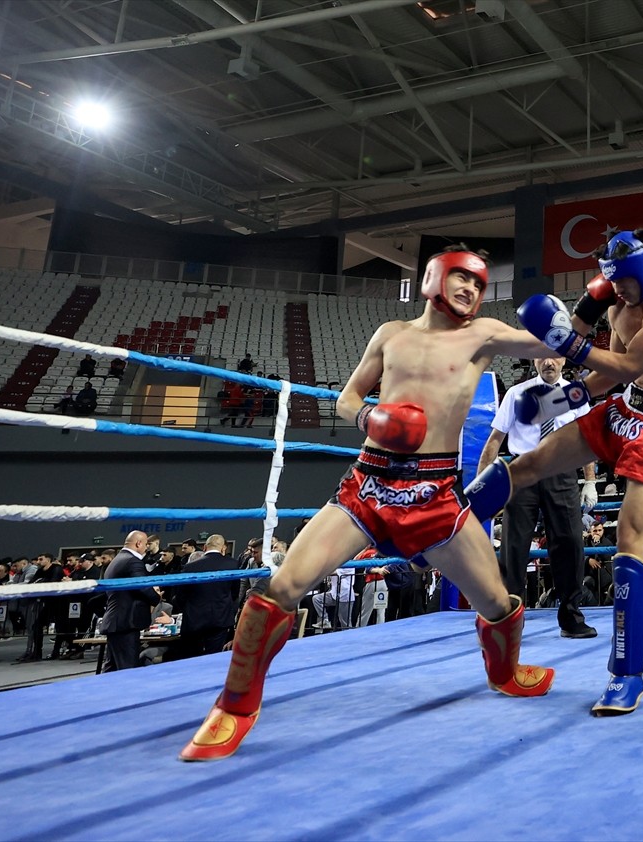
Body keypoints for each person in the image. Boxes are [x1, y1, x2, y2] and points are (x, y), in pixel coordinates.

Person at [181, 246, 558, 762]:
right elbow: (347, 397)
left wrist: (589, 306)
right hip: (370, 484)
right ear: (433, 279)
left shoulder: (483, 335)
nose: (471, 290)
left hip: (436, 496)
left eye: (479, 283)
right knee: (282, 585)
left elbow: (550, 343)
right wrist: (370, 420)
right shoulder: (391, 334)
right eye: (462, 279)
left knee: (497, 603)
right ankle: (235, 705)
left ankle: (505, 671)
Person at [493, 228, 643, 715]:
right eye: (615, 282)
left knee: (630, 538)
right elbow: (611, 373)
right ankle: (451, 521)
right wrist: (571, 394)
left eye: (627, 280)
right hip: (621, 407)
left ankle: (627, 674)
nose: (622, 290)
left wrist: (567, 343)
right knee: (526, 465)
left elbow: (629, 363)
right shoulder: (611, 297)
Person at [479, 356, 597, 638]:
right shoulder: (517, 393)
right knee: (513, 547)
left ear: (563, 359)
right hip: (523, 470)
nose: (548, 362)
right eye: (542, 356)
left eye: (554, 356)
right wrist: (483, 484)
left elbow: (587, 438)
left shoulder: (576, 394)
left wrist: (590, 480)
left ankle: (571, 618)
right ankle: (509, 621)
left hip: (563, 470)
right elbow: (496, 439)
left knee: (570, 544)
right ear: (534, 360)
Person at [99, 531, 161, 671]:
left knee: (112, 667)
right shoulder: (132, 561)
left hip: (117, 621)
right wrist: (157, 598)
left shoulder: (117, 560)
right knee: (127, 668)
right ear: (139, 543)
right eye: (145, 544)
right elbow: (142, 588)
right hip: (126, 622)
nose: (146, 548)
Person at [173, 535, 240, 659]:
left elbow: (181, 595)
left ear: (204, 547)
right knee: (214, 657)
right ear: (223, 548)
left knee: (193, 657)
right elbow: (235, 592)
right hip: (220, 618)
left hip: (195, 619)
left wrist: (188, 609)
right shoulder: (232, 564)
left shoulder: (190, 567)